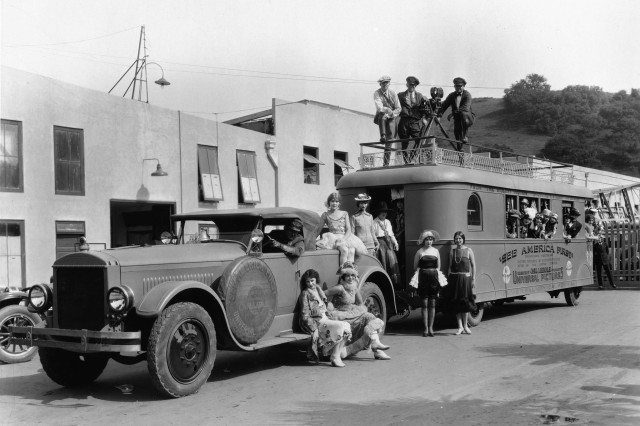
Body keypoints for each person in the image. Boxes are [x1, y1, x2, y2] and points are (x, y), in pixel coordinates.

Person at [325, 263, 391, 360]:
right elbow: (323, 294)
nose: (350, 278)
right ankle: (377, 349)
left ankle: (376, 347)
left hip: (353, 314)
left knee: (369, 317)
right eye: (347, 276)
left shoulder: (354, 288)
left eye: (353, 276)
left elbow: (360, 303)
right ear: (343, 277)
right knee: (367, 317)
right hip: (342, 316)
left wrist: (359, 311)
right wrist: (328, 306)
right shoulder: (339, 288)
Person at [298, 269, 353, 367]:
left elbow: (325, 307)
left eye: (312, 280)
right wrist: (312, 326)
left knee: (347, 326)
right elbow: (304, 313)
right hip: (317, 322)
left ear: (316, 280)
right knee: (342, 326)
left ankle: (336, 354)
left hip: (325, 318)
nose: (310, 283)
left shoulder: (319, 290)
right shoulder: (305, 293)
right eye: (308, 281)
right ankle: (335, 356)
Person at [314, 192, 367, 267]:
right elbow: (318, 230)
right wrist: (311, 240)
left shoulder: (344, 213)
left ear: (339, 203)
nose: (334, 203)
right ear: (329, 202)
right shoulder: (325, 214)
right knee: (344, 250)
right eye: (332, 201)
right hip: (333, 238)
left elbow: (349, 229)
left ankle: (350, 272)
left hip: (345, 237)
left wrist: (344, 239)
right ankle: (342, 272)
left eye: (336, 201)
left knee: (352, 250)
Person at [446, 231, 477, 335]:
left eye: (460, 238)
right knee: (456, 303)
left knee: (465, 303)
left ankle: (465, 326)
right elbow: (449, 266)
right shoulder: (452, 252)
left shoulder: (469, 250)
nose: (458, 240)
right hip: (455, 278)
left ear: (463, 239)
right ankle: (459, 327)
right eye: (456, 238)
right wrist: (449, 278)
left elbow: (473, 265)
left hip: (465, 279)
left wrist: (473, 279)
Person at [413, 229, 441, 337]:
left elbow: (439, 267)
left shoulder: (436, 251)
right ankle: (425, 329)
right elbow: (415, 267)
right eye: (427, 240)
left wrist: (437, 278)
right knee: (424, 304)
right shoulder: (419, 252)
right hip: (423, 278)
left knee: (432, 304)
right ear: (423, 241)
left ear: (432, 241)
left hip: (434, 278)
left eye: (430, 239)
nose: (429, 242)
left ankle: (431, 328)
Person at [438, 77, 475, 150]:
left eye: (460, 86)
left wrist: (452, 114)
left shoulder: (467, 95)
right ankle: (460, 153)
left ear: (463, 86)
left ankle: (465, 136)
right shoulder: (452, 95)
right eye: (456, 86)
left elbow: (465, 108)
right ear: (454, 86)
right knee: (457, 136)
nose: (458, 88)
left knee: (463, 114)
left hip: (468, 118)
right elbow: (444, 105)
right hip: (457, 119)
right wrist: (439, 115)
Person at [373, 75, 401, 166]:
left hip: (391, 117)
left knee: (390, 141)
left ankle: (386, 164)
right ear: (380, 84)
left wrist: (391, 113)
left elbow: (398, 108)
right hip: (381, 116)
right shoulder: (377, 93)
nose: (385, 85)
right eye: (383, 83)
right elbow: (379, 107)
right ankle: (383, 135)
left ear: (389, 84)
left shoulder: (393, 93)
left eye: (387, 83)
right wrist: (386, 110)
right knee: (382, 114)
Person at [397, 76, 427, 160]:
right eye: (410, 85)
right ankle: (406, 161)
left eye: (414, 86)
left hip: (415, 121)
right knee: (404, 143)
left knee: (419, 140)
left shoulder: (420, 96)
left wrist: (424, 118)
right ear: (407, 84)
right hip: (404, 121)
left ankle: (412, 158)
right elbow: (395, 106)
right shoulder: (400, 95)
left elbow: (424, 109)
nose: (412, 87)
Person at [585, 216, 616, 290]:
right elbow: (593, 250)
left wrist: (606, 257)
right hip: (598, 259)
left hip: (605, 259)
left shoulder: (604, 242)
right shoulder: (594, 243)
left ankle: (612, 284)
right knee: (599, 273)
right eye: (598, 235)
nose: (599, 238)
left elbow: (607, 250)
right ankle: (600, 285)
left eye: (600, 236)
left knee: (608, 272)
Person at [372, 201, 400, 285]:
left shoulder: (387, 222)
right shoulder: (374, 222)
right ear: (378, 213)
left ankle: (394, 284)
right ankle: (384, 282)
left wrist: (395, 243)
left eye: (385, 212)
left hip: (389, 244)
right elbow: (373, 235)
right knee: (383, 262)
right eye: (382, 212)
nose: (384, 214)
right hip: (380, 244)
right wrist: (376, 243)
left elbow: (391, 234)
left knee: (391, 260)